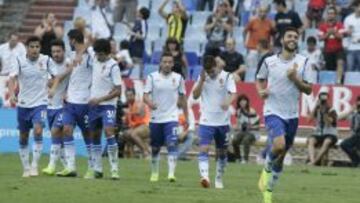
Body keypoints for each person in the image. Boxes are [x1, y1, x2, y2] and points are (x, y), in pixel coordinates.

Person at [256, 27, 314, 203]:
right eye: (289, 36)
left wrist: (295, 78)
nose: (293, 39)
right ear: (282, 39)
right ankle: (266, 169)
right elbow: (259, 79)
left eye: (296, 37)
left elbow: (309, 89)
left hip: (292, 115)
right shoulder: (269, 61)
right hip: (273, 111)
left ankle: (268, 193)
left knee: (281, 157)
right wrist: (261, 91)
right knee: (279, 145)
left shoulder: (304, 62)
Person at [8, 36, 60, 177]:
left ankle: (34, 166)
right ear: (27, 48)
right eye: (32, 47)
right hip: (24, 104)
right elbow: (12, 78)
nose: (35, 49)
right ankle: (26, 168)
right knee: (23, 136)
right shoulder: (19, 60)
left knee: (38, 130)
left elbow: (56, 77)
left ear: (40, 48)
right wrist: (12, 94)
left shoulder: (46, 60)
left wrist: (53, 88)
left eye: (37, 47)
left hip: (41, 103)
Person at [192, 55, 237, 189]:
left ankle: (218, 178)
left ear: (216, 66)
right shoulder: (202, 77)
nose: (210, 74)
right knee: (204, 148)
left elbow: (233, 93)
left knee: (222, 152)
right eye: (208, 71)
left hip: (223, 122)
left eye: (212, 71)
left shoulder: (227, 76)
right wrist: (201, 81)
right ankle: (205, 177)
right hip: (206, 120)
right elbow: (195, 95)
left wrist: (228, 102)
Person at [143, 52, 188, 182]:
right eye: (165, 62)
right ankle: (155, 172)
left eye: (170, 62)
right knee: (155, 147)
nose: (167, 64)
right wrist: (150, 103)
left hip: (172, 117)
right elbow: (145, 96)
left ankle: (171, 174)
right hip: (156, 118)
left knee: (172, 143)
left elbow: (183, 98)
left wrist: (186, 116)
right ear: (160, 63)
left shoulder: (179, 78)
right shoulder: (152, 77)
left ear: (173, 64)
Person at [56, 29, 93, 178]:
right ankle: (71, 167)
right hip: (70, 101)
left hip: (85, 102)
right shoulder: (72, 56)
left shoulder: (90, 55)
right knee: (66, 130)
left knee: (87, 135)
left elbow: (90, 45)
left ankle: (92, 166)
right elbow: (71, 75)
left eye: (69, 40)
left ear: (72, 40)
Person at [88, 38, 122, 179]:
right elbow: (86, 46)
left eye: (101, 54)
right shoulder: (95, 58)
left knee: (108, 131)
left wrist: (100, 99)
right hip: (94, 106)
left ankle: (114, 169)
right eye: (97, 54)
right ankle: (98, 168)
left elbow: (118, 91)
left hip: (107, 105)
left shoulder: (113, 66)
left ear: (108, 53)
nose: (98, 56)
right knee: (95, 135)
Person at [42, 40, 71, 175]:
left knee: (55, 131)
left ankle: (51, 166)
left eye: (58, 51)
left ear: (64, 51)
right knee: (59, 139)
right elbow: (49, 82)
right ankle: (68, 167)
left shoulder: (69, 62)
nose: (56, 54)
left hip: (63, 106)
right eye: (53, 52)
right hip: (50, 106)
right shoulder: (48, 63)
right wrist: (60, 76)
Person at [307, 89, 338, 166]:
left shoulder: (332, 110)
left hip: (330, 134)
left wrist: (324, 112)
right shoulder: (316, 109)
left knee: (326, 142)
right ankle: (312, 160)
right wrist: (315, 107)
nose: (324, 102)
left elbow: (328, 123)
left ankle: (314, 162)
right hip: (318, 133)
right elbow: (308, 120)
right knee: (311, 140)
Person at [318, 6, 345, 84]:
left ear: (335, 15)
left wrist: (334, 32)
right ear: (327, 15)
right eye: (329, 13)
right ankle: (331, 83)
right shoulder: (322, 26)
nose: (331, 15)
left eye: (332, 13)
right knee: (330, 69)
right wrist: (328, 33)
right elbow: (320, 38)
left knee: (340, 63)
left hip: (339, 50)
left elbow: (341, 37)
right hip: (328, 51)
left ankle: (339, 81)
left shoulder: (340, 25)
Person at [230, 94, 260, 163]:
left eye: (244, 101)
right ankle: (238, 158)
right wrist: (234, 127)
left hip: (253, 132)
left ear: (247, 102)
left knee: (246, 140)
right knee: (234, 140)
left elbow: (257, 126)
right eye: (241, 101)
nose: (243, 103)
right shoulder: (238, 111)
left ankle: (245, 159)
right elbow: (238, 126)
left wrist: (250, 127)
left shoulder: (251, 111)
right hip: (243, 132)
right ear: (239, 103)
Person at [244, 5, 274, 70]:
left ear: (267, 13)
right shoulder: (253, 21)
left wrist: (271, 46)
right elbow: (245, 31)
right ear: (258, 12)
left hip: (265, 50)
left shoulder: (269, 23)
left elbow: (272, 35)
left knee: (264, 68)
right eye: (261, 11)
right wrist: (244, 42)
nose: (262, 13)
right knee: (251, 67)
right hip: (253, 48)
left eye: (264, 12)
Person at [124, 88, 151, 158]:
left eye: (130, 95)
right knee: (126, 134)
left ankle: (146, 152)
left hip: (146, 126)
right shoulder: (129, 105)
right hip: (136, 127)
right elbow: (127, 121)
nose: (129, 97)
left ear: (134, 95)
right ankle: (131, 157)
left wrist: (128, 112)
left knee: (133, 134)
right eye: (127, 96)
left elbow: (140, 113)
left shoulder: (139, 102)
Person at [128, 7, 150, 79]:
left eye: (139, 11)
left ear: (141, 14)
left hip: (138, 47)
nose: (137, 12)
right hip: (132, 46)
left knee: (137, 65)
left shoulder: (143, 22)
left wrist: (133, 34)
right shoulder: (137, 21)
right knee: (131, 64)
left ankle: (139, 81)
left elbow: (143, 36)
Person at [339, 96, 360, 167]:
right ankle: (356, 160)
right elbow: (339, 118)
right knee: (344, 144)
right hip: (355, 137)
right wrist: (350, 111)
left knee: (345, 144)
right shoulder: (353, 113)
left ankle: (356, 161)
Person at [344, 1, 360, 72]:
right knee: (350, 68)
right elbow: (344, 33)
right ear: (355, 8)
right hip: (350, 48)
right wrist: (348, 32)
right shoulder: (348, 19)